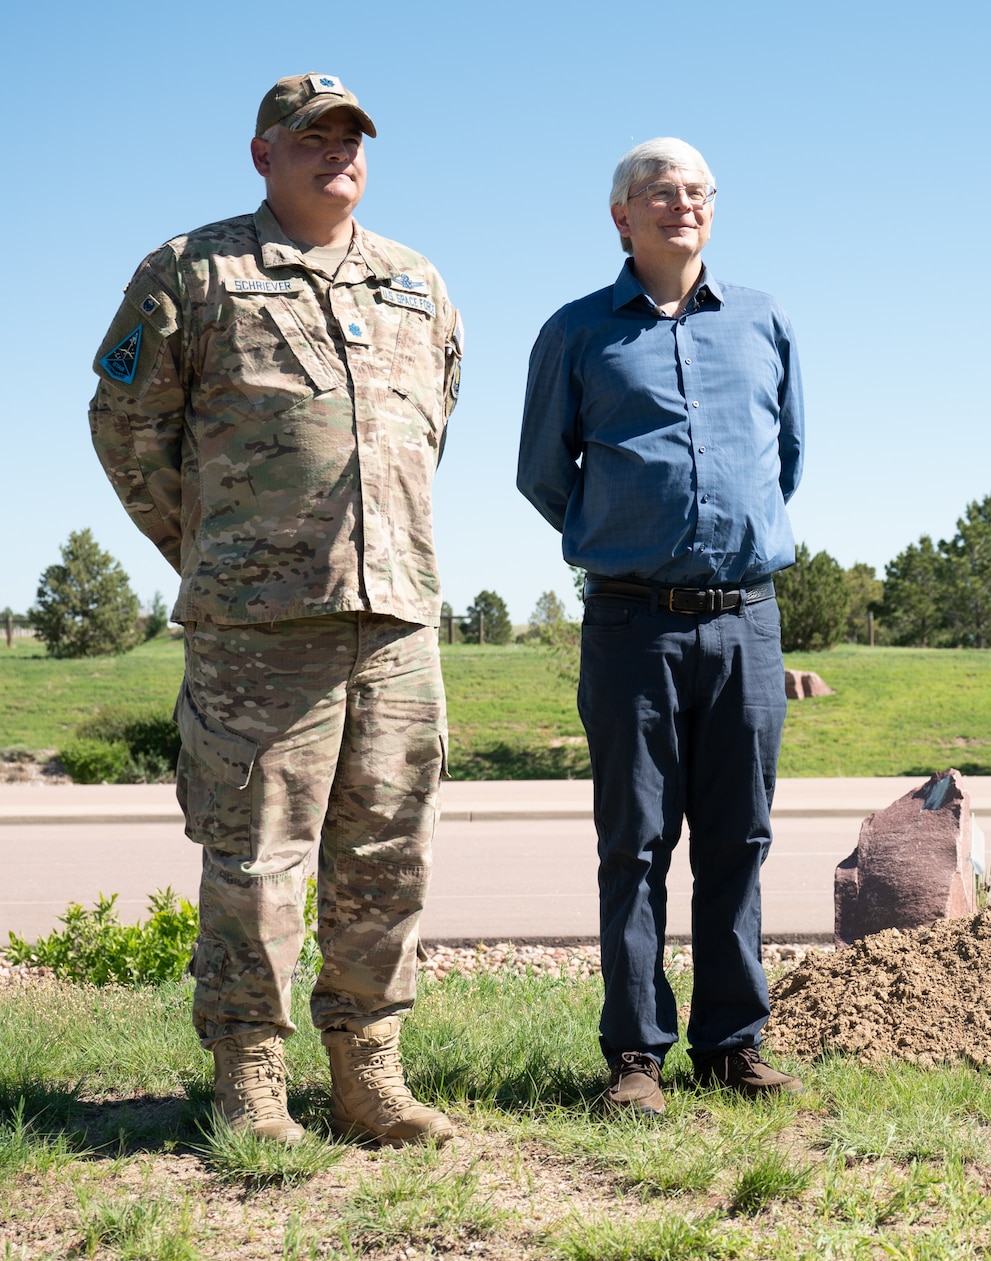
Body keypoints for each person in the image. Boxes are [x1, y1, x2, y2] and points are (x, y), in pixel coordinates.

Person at [87, 73, 464, 1144]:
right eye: (311, 138)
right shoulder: (191, 272)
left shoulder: (416, 283)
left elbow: (431, 427)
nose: (335, 153)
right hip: (257, 631)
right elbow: (125, 426)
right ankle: (250, 1079)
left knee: (389, 852)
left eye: (350, 139)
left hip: (393, 619)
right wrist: (212, 551)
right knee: (254, 858)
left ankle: (370, 1075)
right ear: (262, 153)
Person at [518, 137, 804, 1109]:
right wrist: (626, 539)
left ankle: (731, 1046)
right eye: (655, 192)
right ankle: (634, 1057)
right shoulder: (576, 333)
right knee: (634, 843)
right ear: (620, 217)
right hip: (632, 625)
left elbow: (786, 460)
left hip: (746, 624)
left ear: (711, 210)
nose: (678, 204)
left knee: (740, 839)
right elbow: (543, 476)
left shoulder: (763, 323)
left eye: (694, 191)